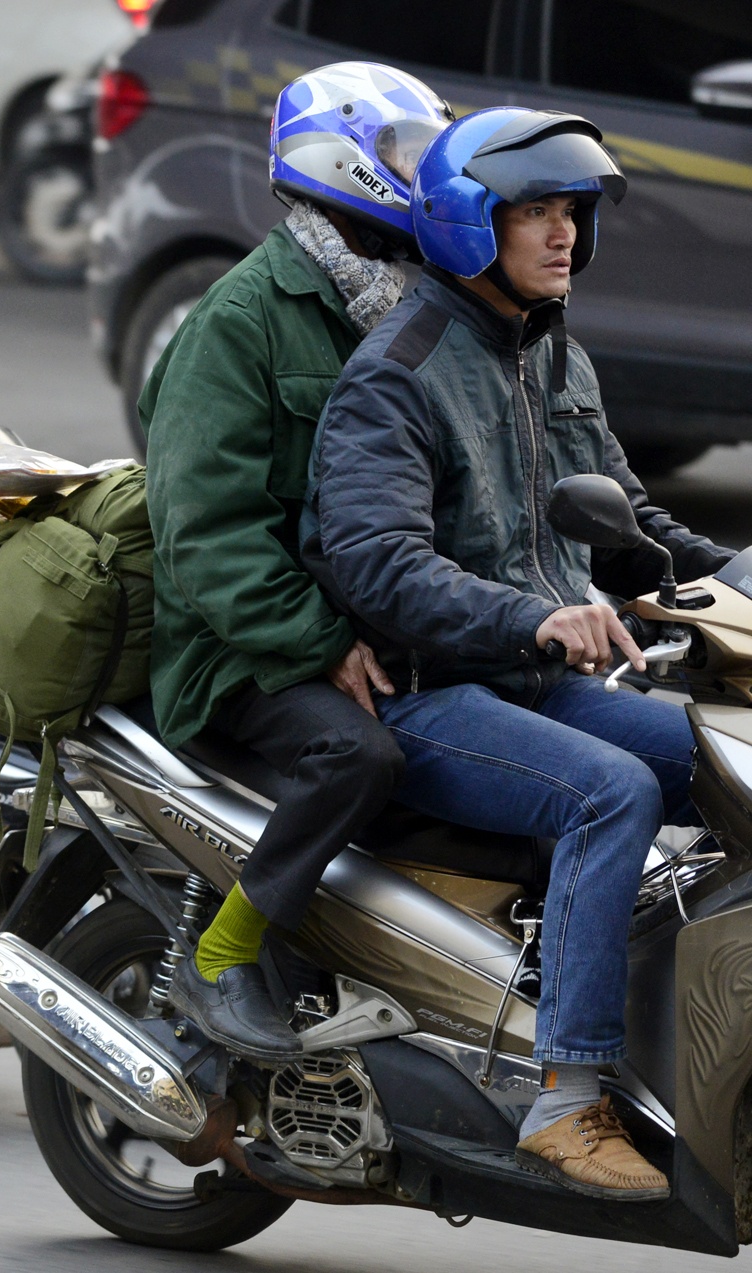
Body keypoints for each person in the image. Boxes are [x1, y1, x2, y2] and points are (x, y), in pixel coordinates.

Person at [308, 107, 731, 1199]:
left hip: (539, 682)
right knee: (612, 792)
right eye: (534, 211)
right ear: (464, 223)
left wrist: (733, 576)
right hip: (429, 691)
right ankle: (568, 1094)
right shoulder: (398, 371)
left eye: (571, 214)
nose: (561, 236)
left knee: (722, 761)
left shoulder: (554, 355)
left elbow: (635, 530)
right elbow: (376, 562)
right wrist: (531, 617)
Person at [142, 63, 451, 1061]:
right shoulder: (242, 319)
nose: (423, 175)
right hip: (237, 648)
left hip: (372, 624)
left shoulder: (409, 308)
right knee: (358, 755)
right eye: (405, 153)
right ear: (342, 161)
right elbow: (205, 530)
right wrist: (317, 644)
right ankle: (223, 954)